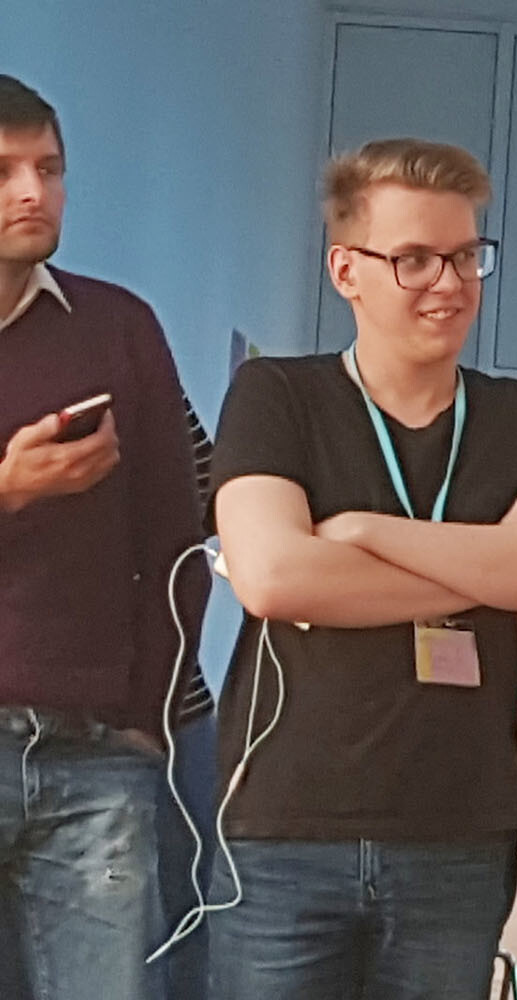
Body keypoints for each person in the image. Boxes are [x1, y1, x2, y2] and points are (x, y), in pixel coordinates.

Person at [205, 137, 517, 1000]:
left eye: (465, 256)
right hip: (285, 831)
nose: (449, 284)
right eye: (414, 259)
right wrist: (491, 562)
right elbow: (273, 579)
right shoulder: (279, 397)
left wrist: (359, 533)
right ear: (346, 270)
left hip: (457, 833)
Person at [0, 74, 210, 1000]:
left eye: (49, 169)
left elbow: (178, 543)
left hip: (97, 752)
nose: (32, 192)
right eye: (4, 171)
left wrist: (147, 719)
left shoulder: (119, 327)